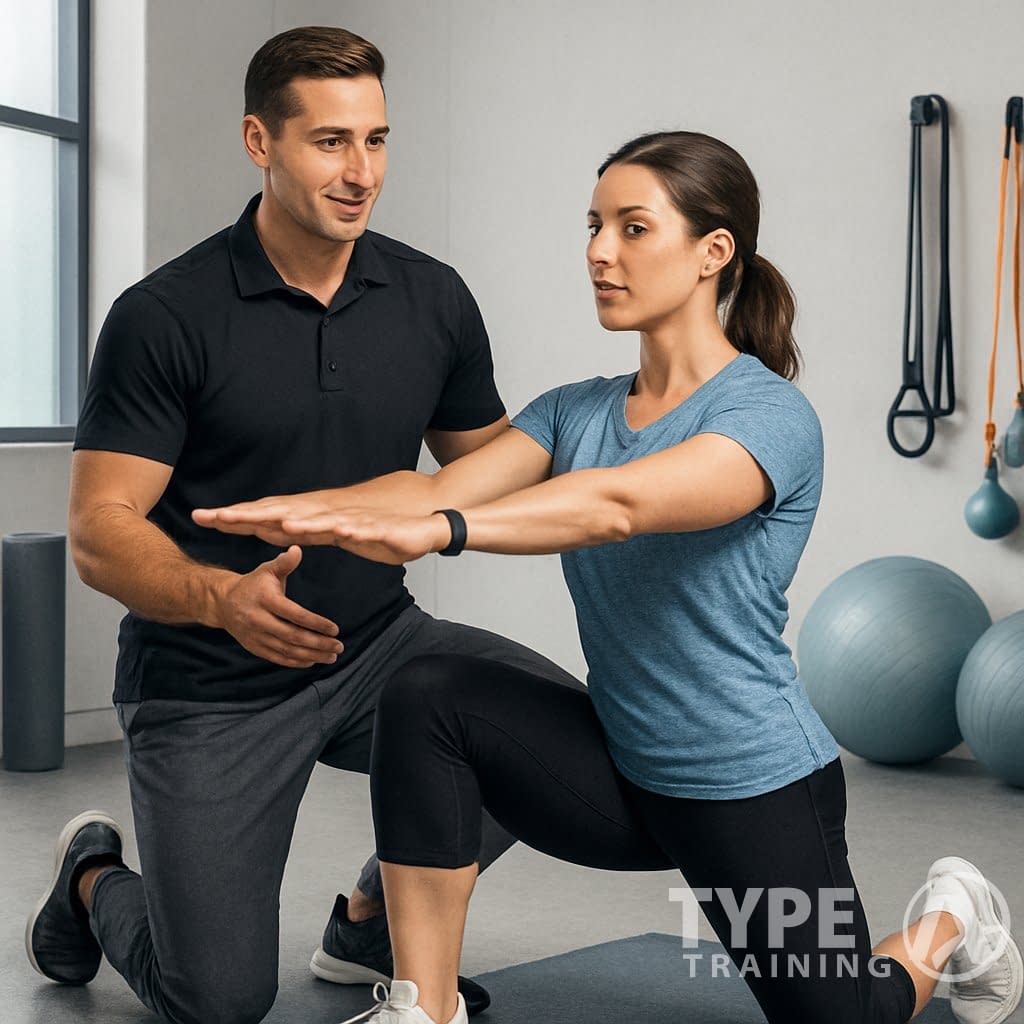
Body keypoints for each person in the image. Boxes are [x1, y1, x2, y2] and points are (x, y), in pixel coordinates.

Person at [197, 130, 1024, 1024]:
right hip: (617, 776)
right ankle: (422, 1005)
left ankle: (953, 913)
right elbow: (435, 485)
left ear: (714, 253)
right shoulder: (575, 410)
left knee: (844, 1015)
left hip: (748, 787)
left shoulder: (768, 415)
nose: (599, 250)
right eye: (594, 225)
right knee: (428, 689)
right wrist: (307, 508)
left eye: (633, 228)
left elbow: (615, 505)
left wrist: (439, 529)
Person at [25, 25, 586, 1024]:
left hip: (378, 646)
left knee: (568, 740)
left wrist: (663, 447)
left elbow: (495, 467)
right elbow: (100, 529)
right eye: (330, 142)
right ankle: (90, 877)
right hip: (211, 681)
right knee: (219, 1000)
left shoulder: (431, 298)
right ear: (260, 140)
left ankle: (370, 922)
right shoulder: (168, 315)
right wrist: (219, 597)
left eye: (375, 140)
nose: (360, 171)